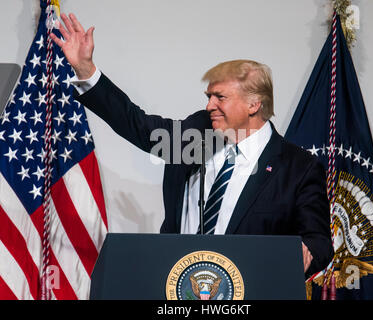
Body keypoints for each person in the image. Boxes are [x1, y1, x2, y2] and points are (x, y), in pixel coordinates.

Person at [51, 13, 333, 277]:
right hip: (179, 289)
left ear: (253, 104)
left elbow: (319, 243)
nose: (209, 105)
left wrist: (306, 255)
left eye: (219, 97)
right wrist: (86, 70)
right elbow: (137, 125)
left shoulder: (298, 168)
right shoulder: (198, 133)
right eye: (208, 96)